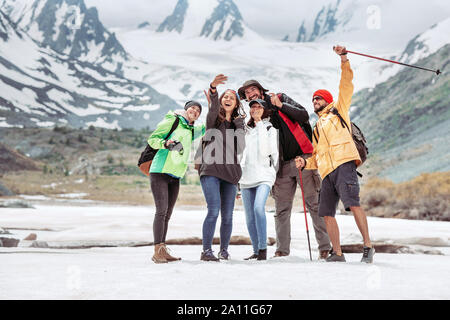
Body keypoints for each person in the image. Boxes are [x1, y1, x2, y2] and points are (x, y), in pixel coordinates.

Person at [295, 45, 375, 263]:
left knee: (353, 204)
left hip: (345, 164)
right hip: (327, 172)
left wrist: (344, 59)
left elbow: (346, 84)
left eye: (318, 98)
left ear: (327, 100)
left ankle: (368, 246)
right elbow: (318, 155)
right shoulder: (317, 127)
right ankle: (337, 253)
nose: (315, 102)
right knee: (327, 212)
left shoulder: (339, 110)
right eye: (313, 99)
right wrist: (305, 162)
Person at [238, 80, 331, 260]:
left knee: (314, 204)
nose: (251, 94)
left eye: (253, 89)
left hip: (303, 159)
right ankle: (282, 251)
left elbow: (304, 115)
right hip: (280, 166)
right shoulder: (256, 114)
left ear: (260, 89)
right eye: (247, 93)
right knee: (281, 209)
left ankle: (325, 247)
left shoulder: (279, 98)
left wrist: (281, 105)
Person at [147, 101, 205, 263]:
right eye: (192, 107)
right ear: (186, 110)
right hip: (160, 171)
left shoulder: (191, 130)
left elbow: (208, 126)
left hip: (176, 175)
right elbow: (153, 139)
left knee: (167, 214)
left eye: (198, 110)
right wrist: (165, 143)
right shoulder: (172, 121)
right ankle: (157, 251)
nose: (195, 110)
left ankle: (162, 249)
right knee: (161, 211)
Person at [196, 74, 246, 262]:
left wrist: (239, 122)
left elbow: (240, 147)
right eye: (226, 96)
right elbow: (213, 107)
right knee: (213, 210)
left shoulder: (236, 124)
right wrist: (214, 89)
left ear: (236, 104)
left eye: (231, 98)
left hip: (231, 174)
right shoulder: (213, 120)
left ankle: (224, 250)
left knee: (227, 216)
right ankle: (206, 251)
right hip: (211, 170)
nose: (228, 99)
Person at [239, 99, 279, 261]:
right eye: (252, 107)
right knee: (249, 217)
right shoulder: (245, 130)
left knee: (258, 208)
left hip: (264, 175)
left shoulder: (270, 129)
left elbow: (265, 151)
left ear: (264, 111)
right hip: (245, 176)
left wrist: (259, 123)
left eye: (258, 107)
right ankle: (255, 250)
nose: (255, 109)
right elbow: (240, 155)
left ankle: (263, 249)